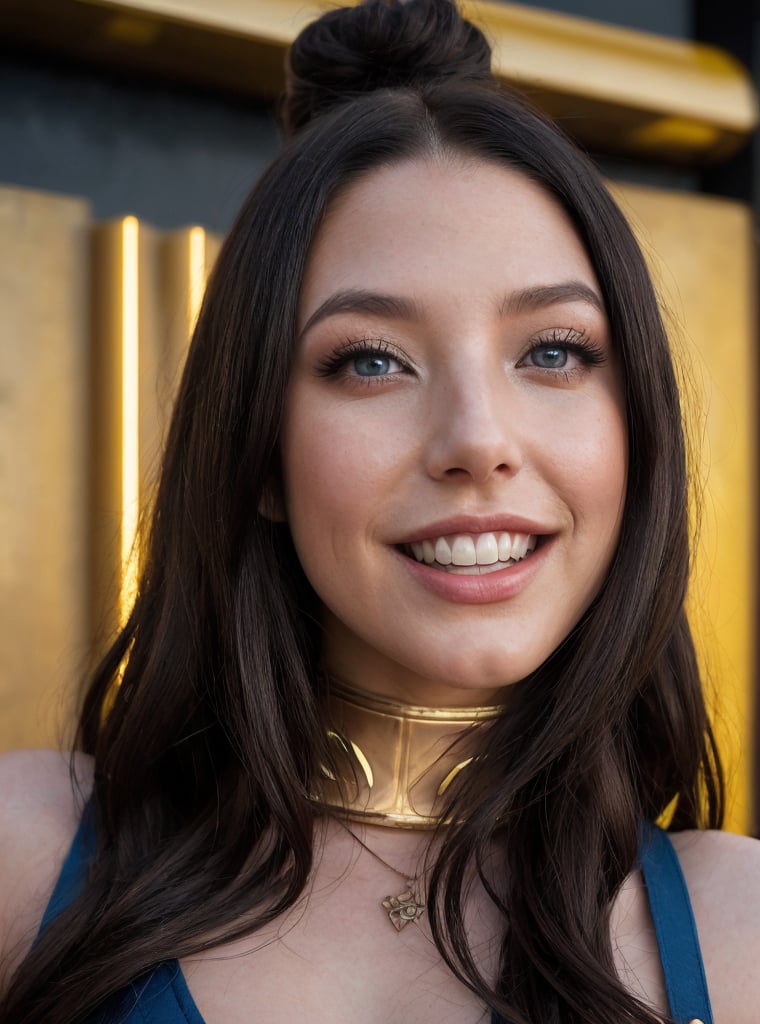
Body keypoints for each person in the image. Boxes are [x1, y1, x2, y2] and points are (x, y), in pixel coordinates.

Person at [1, 1, 758, 1021]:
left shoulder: (735, 929)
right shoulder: (29, 856)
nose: (478, 440)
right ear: (257, 448)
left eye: (553, 351)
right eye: (371, 361)